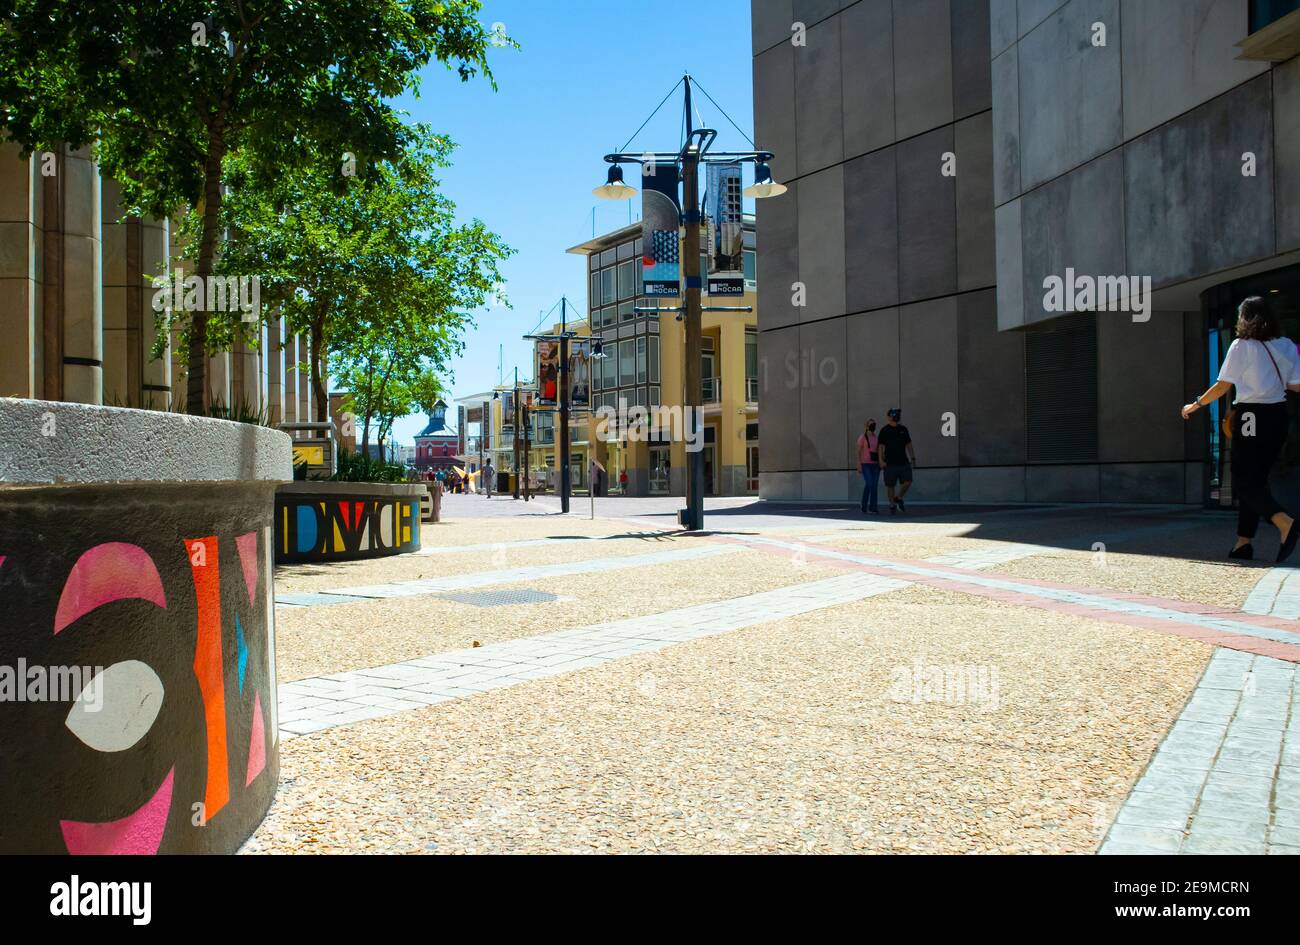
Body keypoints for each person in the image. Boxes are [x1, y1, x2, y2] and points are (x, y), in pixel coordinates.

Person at [1183, 296, 1300, 563]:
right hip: (1278, 417)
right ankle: (1243, 543)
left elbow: (1223, 385)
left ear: (1245, 318)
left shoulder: (1241, 346)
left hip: (1251, 417)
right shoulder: (1286, 345)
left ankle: (1284, 523)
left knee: (1242, 481)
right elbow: (1296, 386)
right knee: (1256, 480)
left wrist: (1195, 404)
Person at [877, 408, 915, 515]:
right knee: (890, 485)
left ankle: (898, 498)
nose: (896, 416)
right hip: (889, 463)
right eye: (894, 414)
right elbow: (880, 446)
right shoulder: (884, 430)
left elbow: (909, 444)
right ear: (889, 417)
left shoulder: (903, 429)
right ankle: (892, 505)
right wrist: (880, 460)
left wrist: (913, 458)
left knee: (908, 481)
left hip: (904, 462)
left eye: (897, 414)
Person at [857, 418, 881, 514]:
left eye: (874, 424)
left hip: (876, 465)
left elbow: (879, 450)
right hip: (865, 464)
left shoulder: (876, 437)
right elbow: (858, 451)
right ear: (866, 426)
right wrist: (858, 463)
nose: (873, 426)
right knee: (870, 483)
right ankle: (864, 503)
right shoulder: (862, 437)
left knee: (873, 485)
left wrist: (881, 462)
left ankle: (873, 507)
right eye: (871, 424)